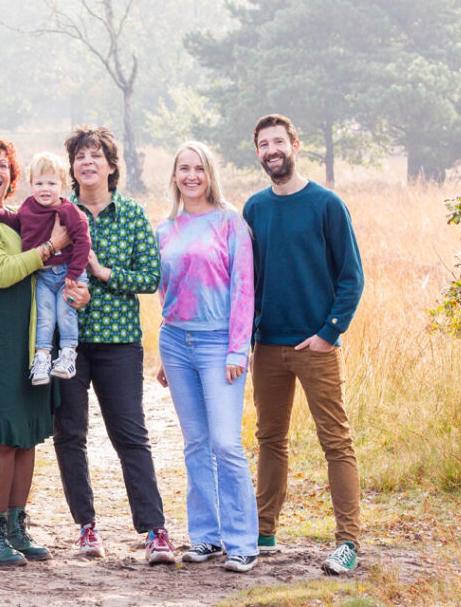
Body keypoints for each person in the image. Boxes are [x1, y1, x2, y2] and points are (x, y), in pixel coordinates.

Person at [0, 137, 86, 567]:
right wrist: (50, 247)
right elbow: (3, 271)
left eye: (3, 166)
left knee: (27, 433)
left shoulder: (18, 218)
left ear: (13, 176)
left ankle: (16, 528)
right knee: (3, 435)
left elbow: (54, 259)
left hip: (29, 333)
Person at [242, 114, 365, 575]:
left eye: (278, 142)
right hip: (268, 347)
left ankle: (347, 542)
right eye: (263, 144)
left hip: (315, 346)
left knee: (336, 441)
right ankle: (264, 532)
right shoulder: (254, 208)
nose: (272, 150)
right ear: (258, 153)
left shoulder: (326, 204)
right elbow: (247, 281)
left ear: (295, 144)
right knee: (269, 439)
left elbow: (351, 278)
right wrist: (249, 336)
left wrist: (328, 333)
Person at [53, 125, 176, 565]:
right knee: (70, 434)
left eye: (95, 156)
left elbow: (150, 277)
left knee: (130, 435)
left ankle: (155, 530)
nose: (87, 163)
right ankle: (86, 527)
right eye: (80, 157)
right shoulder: (59, 212)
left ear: (110, 165)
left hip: (119, 343)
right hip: (66, 342)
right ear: (72, 167)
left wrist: (103, 273)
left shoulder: (132, 214)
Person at [154, 141, 258, 573]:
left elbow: (244, 289)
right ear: (175, 176)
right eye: (184, 169)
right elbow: (166, 291)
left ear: (209, 173)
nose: (191, 176)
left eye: (198, 168)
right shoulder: (166, 229)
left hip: (219, 345)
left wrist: (238, 349)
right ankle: (206, 538)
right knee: (195, 444)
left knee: (225, 443)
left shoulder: (230, 223)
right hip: (175, 343)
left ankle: (242, 542)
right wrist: (163, 354)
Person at [0, 151, 91, 385]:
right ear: (31, 185)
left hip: (67, 273)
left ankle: (68, 355)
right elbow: (17, 222)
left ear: (62, 186)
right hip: (42, 274)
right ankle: (42, 358)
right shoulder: (29, 206)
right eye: (39, 183)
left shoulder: (69, 211)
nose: (45, 189)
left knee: (65, 312)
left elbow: (83, 241)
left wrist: (74, 273)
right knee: (44, 316)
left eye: (51, 183)